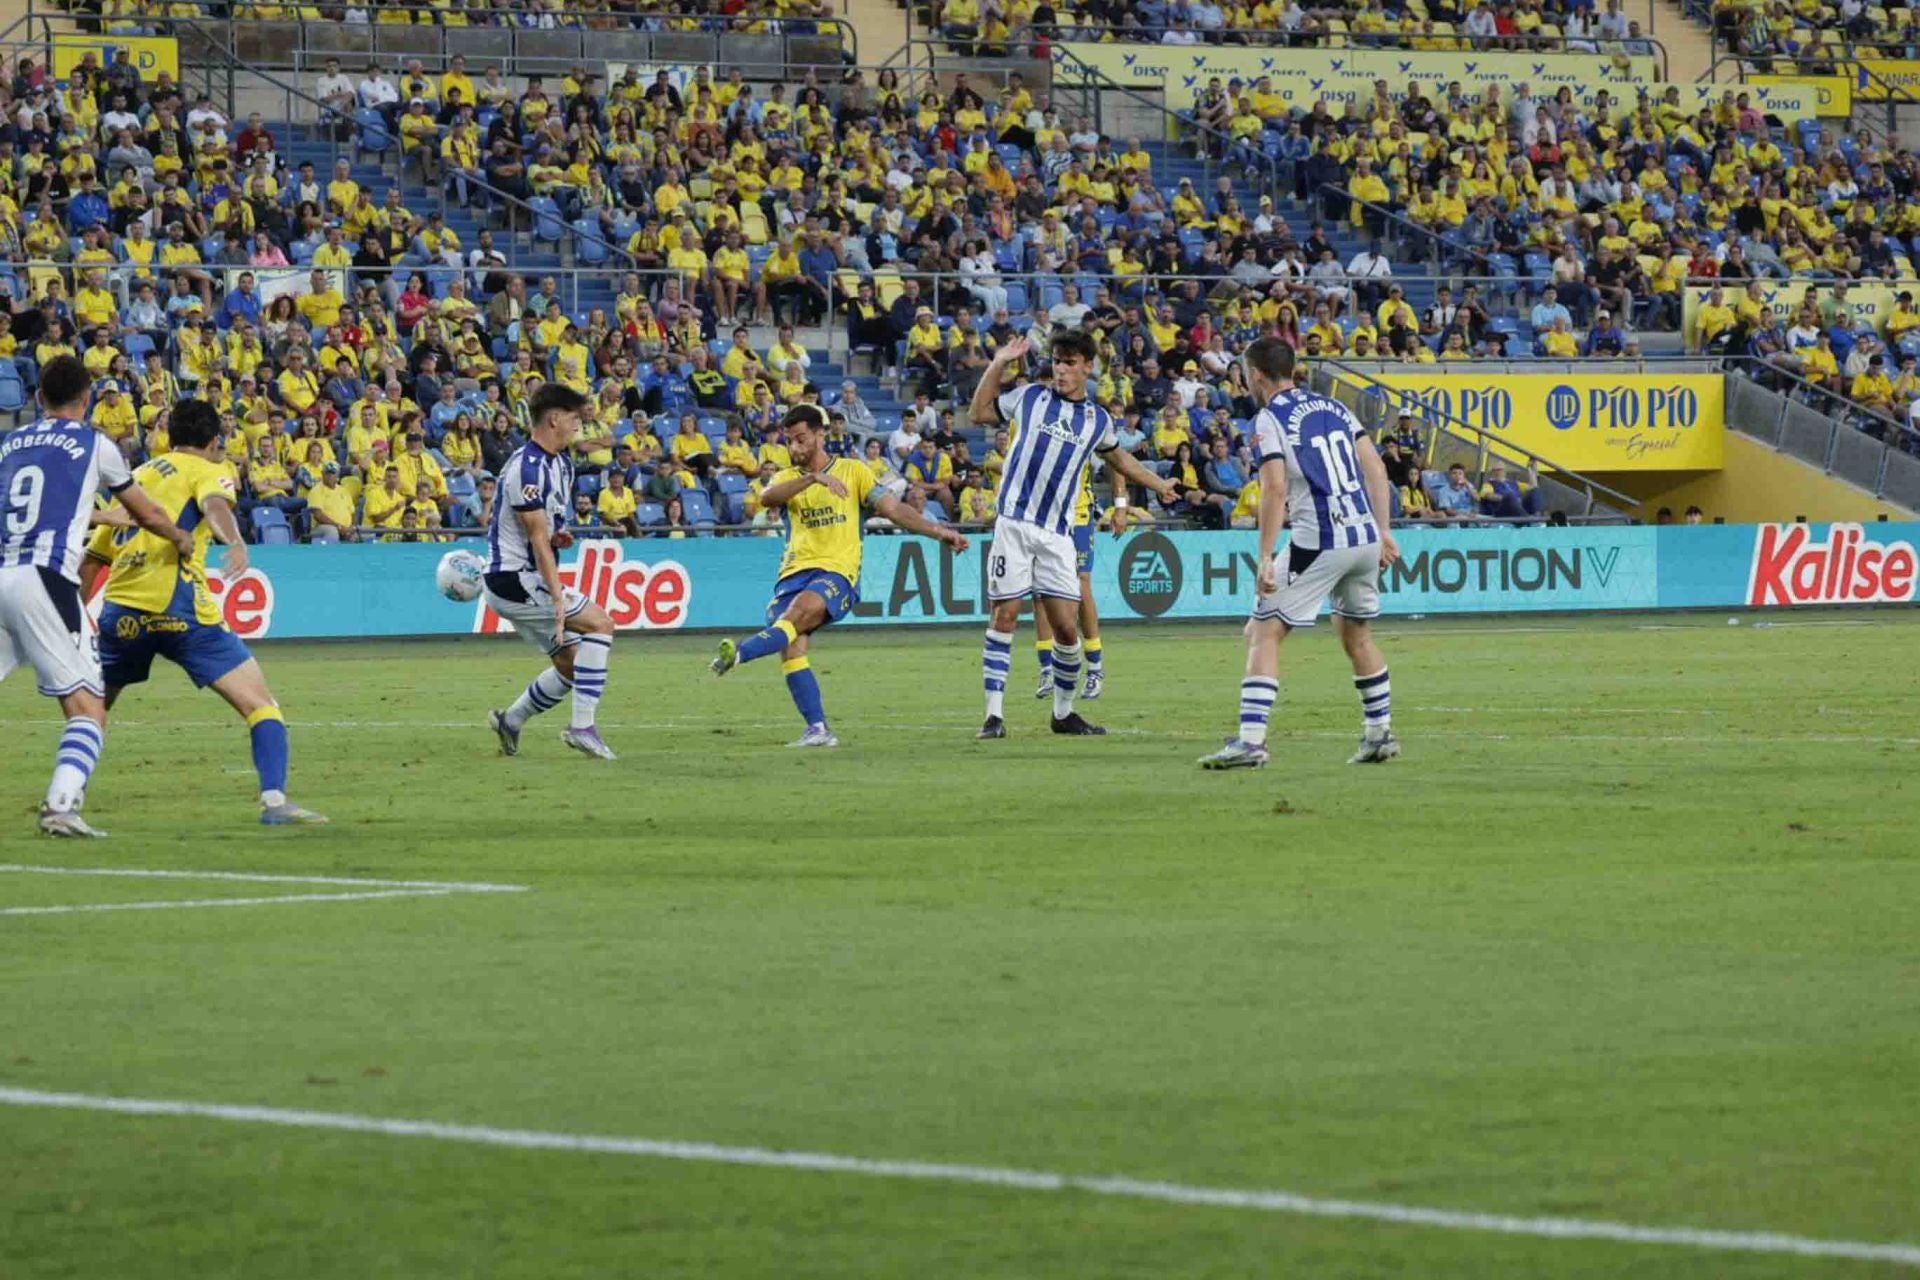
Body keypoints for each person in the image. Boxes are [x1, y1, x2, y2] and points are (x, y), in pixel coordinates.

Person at [80, 397, 328, 825]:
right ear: (215, 440)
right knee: (260, 705)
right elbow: (215, 507)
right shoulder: (212, 470)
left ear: (170, 436)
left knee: (92, 711)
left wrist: (70, 616)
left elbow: (94, 559)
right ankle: (274, 802)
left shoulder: (135, 477)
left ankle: (66, 796)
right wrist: (235, 541)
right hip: (182, 611)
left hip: (121, 612)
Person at [0, 356, 193, 837]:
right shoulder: (94, 444)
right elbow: (145, 512)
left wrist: (96, 518)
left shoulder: (8, 443)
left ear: (39, 397)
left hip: (3, 569)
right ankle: (62, 806)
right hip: (44, 580)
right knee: (90, 709)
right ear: (87, 400)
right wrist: (179, 537)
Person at [708, 404, 969, 748]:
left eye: (801, 439)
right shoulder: (788, 478)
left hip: (837, 572)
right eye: (789, 441)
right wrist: (812, 478)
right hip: (792, 573)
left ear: (820, 435)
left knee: (797, 615)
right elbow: (767, 498)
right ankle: (818, 729)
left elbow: (895, 510)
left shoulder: (853, 471)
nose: (795, 447)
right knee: (792, 645)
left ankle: (739, 654)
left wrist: (939, 531)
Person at [1198, 338, 1401, 770]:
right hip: (1364, 538)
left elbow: (1273, 488)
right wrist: (1384, 531)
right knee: (1356, 635)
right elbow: (1377, 469)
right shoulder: (1335, 408)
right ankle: (1379, 733)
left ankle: (1251, 742)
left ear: (1255, 375)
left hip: (1320, 540)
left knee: (1263, 630)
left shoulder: (1269, 418)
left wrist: (1266, 553)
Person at [967, 330, 1176, 739]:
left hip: (1059, 534)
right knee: (1005, 615)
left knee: (1066, 627)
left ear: (1086, 367)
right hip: (1014, 524)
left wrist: (1158, 485)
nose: (1060, 369)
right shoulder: (1029, 398)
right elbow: (978, 413)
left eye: (1068, 362)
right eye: (1056, 361)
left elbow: (1121, 459)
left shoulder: (1097, 420)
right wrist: (998, 364)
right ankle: (993, 715)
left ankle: (1063, 714)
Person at [482, 384, 621, 761]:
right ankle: (583, 728)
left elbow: (548, 532)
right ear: (554, 418)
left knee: (572, 664)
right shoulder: (526, 468)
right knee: (600, 624)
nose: (580, 425)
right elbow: (536, 538)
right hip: (512, 578)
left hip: (524, 578)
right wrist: (558, 597)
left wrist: (561, 536)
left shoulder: (561, 464)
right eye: (575, 418)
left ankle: (510, 720)